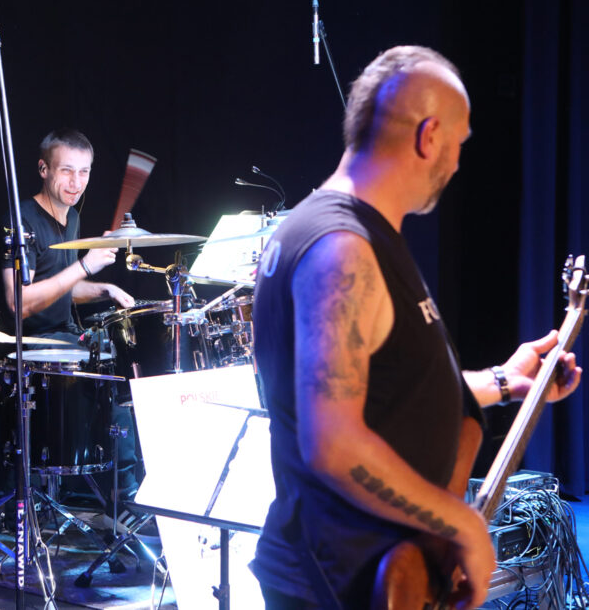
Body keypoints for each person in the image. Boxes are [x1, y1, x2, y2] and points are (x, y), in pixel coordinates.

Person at [249, 46, 582, 609]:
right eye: (458, 143)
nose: (457, 164)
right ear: (428, 136)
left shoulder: (350, 233)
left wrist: (505, 381)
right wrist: (460, 522)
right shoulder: (342, 248)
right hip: (337, 584)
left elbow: (392, 390)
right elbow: (332, 442)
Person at [1, 128, 134, 343]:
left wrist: (105, 290)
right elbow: (18, 303)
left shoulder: (72, 217)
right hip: (34, 342)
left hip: (66, 334)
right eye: (66, 170)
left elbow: (62, 289)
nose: (76, 183)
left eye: (84, 171)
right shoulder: (21, 220)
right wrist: (85, 266)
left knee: (123, 344)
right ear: (44, 169)